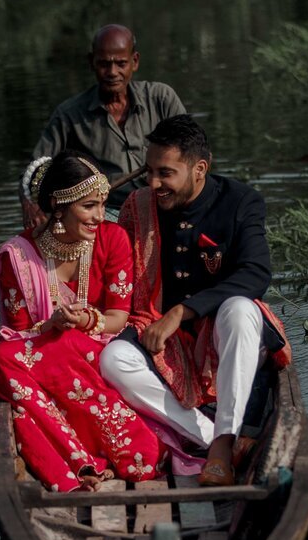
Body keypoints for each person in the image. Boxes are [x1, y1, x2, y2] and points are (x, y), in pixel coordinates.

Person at [98, 115, 291, 487]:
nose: (154, 184)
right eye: (149, 171)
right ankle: (222, 440)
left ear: (200, 168)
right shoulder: (137, 207)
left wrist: (182, 311)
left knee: (239, 309)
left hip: (223, 333)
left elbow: (256, 273)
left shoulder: (241, 201)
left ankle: (219, 446)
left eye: (165, 173)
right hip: (157, 331)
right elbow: (114, 267)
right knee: (113, 360)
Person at [0, 153, 163, 493]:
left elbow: (118, 318)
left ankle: (77, 468)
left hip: (98, 353)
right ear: (58, 205)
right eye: (89, 206)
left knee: (19, 398)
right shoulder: (18, 256)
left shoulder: (113, 239)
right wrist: (49, 326)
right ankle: (81, 462)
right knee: (0, 357)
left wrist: (85, 320)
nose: (100, 216)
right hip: (41, 353)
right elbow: (16, 335)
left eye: (102, 205)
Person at [22, 25, 186, 227]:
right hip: (109, 212)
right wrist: (32, 203)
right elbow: (36, 167)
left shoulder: (161, 98)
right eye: (104, 64)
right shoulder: (69, 114)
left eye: (121, 63)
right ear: (91, 62)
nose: (112, 72)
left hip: (164, 201)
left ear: (134, 62)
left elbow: (193, 149)